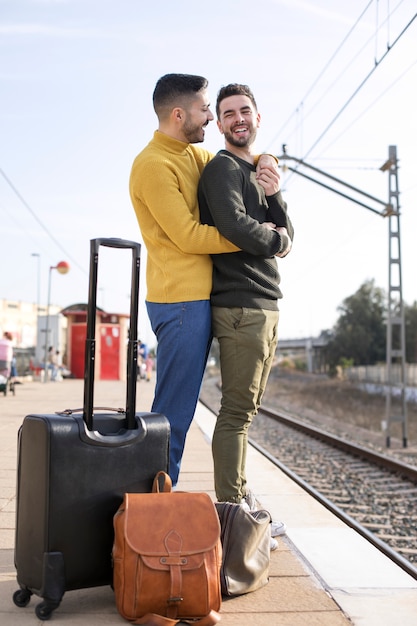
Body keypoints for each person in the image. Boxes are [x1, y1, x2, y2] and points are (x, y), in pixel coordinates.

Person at [129, 73, 279, 486]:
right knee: (173, 415)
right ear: (179, 115)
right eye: (204, 109)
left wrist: (269, 160)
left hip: (200, 298)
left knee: (181, 412)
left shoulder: (191, 156)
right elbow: (190, 236)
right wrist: (261, 240)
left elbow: (238, 159)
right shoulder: (153, 165)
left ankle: (158, 502)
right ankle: (152, 511)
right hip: (179, 302)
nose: (211, 118)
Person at [198, 83, 294, 540]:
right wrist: (276, 240)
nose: (238, 118)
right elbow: (236, 226)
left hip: (264, 303)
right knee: (236, 413)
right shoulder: (222, 169)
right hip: (240, 304)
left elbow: (288, 228)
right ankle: (232, 512)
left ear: (258, 118)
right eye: (228, 113)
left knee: (246, 411)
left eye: (245, 111)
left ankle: (238, 498)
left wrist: (274, 198)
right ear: (219, 123)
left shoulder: (258, 169)